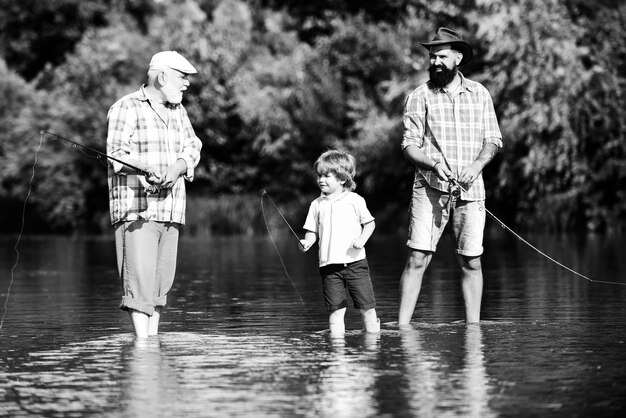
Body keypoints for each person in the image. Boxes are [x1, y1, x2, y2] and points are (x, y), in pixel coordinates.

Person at [398, 28, 502, 324]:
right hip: (429, 189)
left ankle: (473, 329)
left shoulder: (480, 93)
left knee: (472, 261)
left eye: (442, 56)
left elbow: (493, 140)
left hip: (471, 192)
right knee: (417, 258)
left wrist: (477, 166)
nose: (435, 62)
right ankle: (402, 328)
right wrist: (432, 164)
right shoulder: (419, 96)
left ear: (458, 57)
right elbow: (409, 145)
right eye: (432, 57)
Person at [106, 51, 202, 338]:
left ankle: (151, 341)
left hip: (172, 209)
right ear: (162, 77)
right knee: (139, 281)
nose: (186, 84)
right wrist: (146, 168)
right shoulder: (125, 107)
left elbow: (193, 145)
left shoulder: (179, 111)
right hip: (137, 210)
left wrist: (178, 167)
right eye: (182, 77)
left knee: (161, 283)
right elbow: (116, 155)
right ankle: (142, 345)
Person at [299, 150, 380, 335]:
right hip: (329, 267)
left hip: (356, 264)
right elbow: (312, 233)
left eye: (327, 176)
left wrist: (361, 239)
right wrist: (307, 243)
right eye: (319, 175)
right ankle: (337, 354)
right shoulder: (316, 204)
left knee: (367, 308)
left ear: (342, 179)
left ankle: (373, 344)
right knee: (335, 313)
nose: (321, 179)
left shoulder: (355, 200)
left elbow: (370, 224)